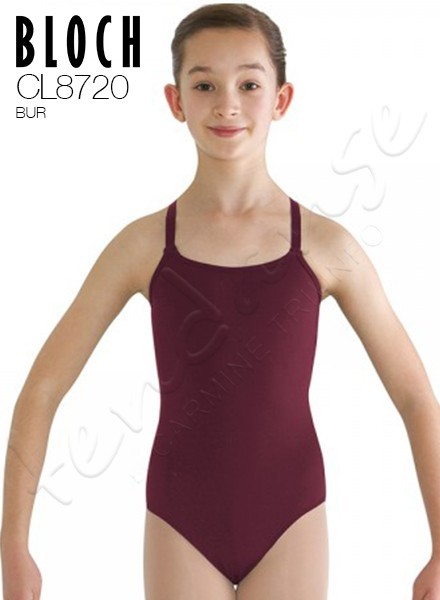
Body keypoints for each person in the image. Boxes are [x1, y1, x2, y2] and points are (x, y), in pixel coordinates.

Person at [1, 3, 440, 599]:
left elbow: (415, 395)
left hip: (291, 517)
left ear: (281, 98)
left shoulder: (327, 246)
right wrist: (14, 548)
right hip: (181, 518)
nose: (227, 104)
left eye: (249, 85)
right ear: (175, 100)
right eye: (204, 84)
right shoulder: (141, 246)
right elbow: (43, 387)